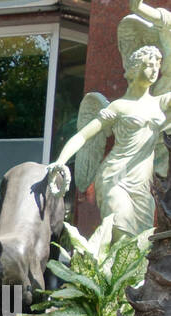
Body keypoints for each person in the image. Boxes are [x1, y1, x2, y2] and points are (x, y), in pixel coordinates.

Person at [50, 42, 171, 237]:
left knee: (139, 247)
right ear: (134, 68)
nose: (154, 70)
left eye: (158, 64)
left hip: (143, 185)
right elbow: (82, 135)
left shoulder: (160, 103)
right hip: (116, 177)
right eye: (149, 65)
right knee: (121, 233)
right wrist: (60, 162)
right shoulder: (118, 107)